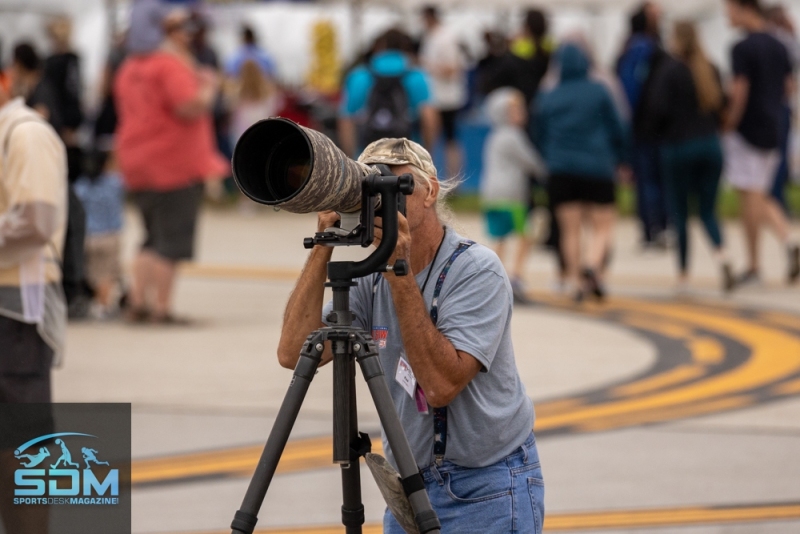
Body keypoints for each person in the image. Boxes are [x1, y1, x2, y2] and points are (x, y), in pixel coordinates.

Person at [277, 138, 544, 533]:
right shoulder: (371, 279)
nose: (380, 198)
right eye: (371, 187)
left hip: (486, 485)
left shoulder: (477, 270)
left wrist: (397, 269)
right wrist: (322, 245)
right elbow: (293, 351)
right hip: (411, 484)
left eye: (393, 184)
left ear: (430, 191)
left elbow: (439, 385)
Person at [115, 8, 229, 323]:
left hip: (137, 162)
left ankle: (138, 302)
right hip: (174, 164)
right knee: (172, 240)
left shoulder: (129, 67)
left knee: (150, 236)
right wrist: (208, 87)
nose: (186, 34)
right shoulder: (168, 65)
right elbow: (189, 105)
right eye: (177, 28)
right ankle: (161, 308)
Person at [537, 43, 628, 302]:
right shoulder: (599, 92)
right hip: (597, 166)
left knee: (569, 230)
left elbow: (538, 132)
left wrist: (549, 157)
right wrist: (622, 157)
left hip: (561, 169)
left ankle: (576, 282)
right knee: (603, 225)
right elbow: (618, 127)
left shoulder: (549, 95)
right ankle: (592, 265)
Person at [650, 22, 734, 292]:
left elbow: (657, 110)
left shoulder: (670, 70)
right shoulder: (710, 68)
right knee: (708, 210)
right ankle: (723, 256)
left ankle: (684, 275)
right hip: (710, 145)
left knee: (680, 212)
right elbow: (722, 105)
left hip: (679, 147)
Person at [723, 0, 799, 285]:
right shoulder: (781, 44)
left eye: (729, 10)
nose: (727, 16)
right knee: (762, 191)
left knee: (750, 194)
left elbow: (739, 91)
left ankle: (755, 264)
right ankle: (787, 240)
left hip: (748, 129)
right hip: (775, 125)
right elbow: (789, 86)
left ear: (744, 8)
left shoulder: (742, 48)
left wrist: (728, 122)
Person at [480, 88, 547, 303]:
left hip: (491, 195)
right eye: (515, 109)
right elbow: (531, 162)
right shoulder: (512, 136)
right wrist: (546, 172)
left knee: (500, 237)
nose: (521, 112)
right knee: (525, 235)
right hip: (511, 196)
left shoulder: (495, 136)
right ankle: (515, 277)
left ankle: (493, 279)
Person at [617, 1, 670, 249]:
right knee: (651, 179)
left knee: (650, 180)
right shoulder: (643, 47)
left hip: (648, 127)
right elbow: (631, 90)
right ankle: (655, 228)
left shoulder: (637, 47)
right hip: (648, 127)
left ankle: (654, 228)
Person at [338, 28, 438, 158]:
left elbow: (346, 121)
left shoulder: (359, 76)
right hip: (408, 158)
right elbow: (428, 118)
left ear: (378, 47)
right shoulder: (416, 75)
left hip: (368, 157)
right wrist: (426, 154)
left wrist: (351, 158)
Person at [73, 151, 125, 319]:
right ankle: (102, 307)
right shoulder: (114, 183)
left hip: (87, 235)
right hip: (108, 236)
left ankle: (90, 301)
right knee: (105, 275)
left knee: (91, 272)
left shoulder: (81, 186)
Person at [419, 6, 467, 178]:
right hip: (436, 97)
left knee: (449, 140)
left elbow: (453, 69)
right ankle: (431, 178)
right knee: (434, 141)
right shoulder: (431, 37)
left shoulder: (446, 37)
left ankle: (452, 180)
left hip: (446, 99)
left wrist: (427, 66)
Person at [765, 5, 800, 213]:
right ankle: (777, 201)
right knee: (780, 155)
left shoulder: (771, 39)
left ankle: (774, 200)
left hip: (770, 103)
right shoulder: (785, 40)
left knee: (773, 157)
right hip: (781, 103)